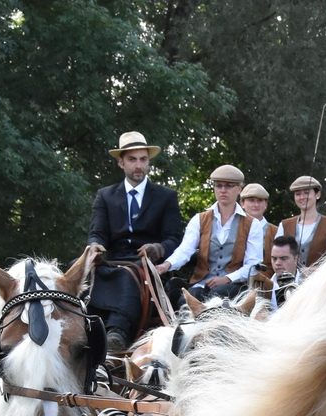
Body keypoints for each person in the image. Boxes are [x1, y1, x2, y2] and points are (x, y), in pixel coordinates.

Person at [87, 131, 186, 351]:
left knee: (129, 273)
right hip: (112, 258)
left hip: (148, 263)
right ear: (121, 162)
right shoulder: (105, 196)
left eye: (143, 159)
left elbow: (174, 238)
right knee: (79, 267)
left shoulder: (165, 196)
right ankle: (76, 324)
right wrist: (95, 247)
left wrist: (157, 248)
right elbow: (98, 232)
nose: (138, 165)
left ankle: (117, 331)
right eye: (132, 160)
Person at [159, 164, 267, 302]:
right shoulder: (200, 219)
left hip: (235, 285)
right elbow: (185, 250)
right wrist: (166, 264)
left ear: (239, 189)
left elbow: (253, 265)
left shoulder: (252, 224)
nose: (223, 190)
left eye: (228, 186)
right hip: (202, 282)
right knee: (185, 302)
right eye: (218, 185)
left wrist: (227, 278)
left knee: (215, 299)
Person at [278, 175, 326, 268]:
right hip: (288, 281)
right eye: (298, 194)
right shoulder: (284, 225)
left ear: (317, 194)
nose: (302, 197)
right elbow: (276, 257)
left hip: (321, 280)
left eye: (306, 193)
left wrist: (315, 271)